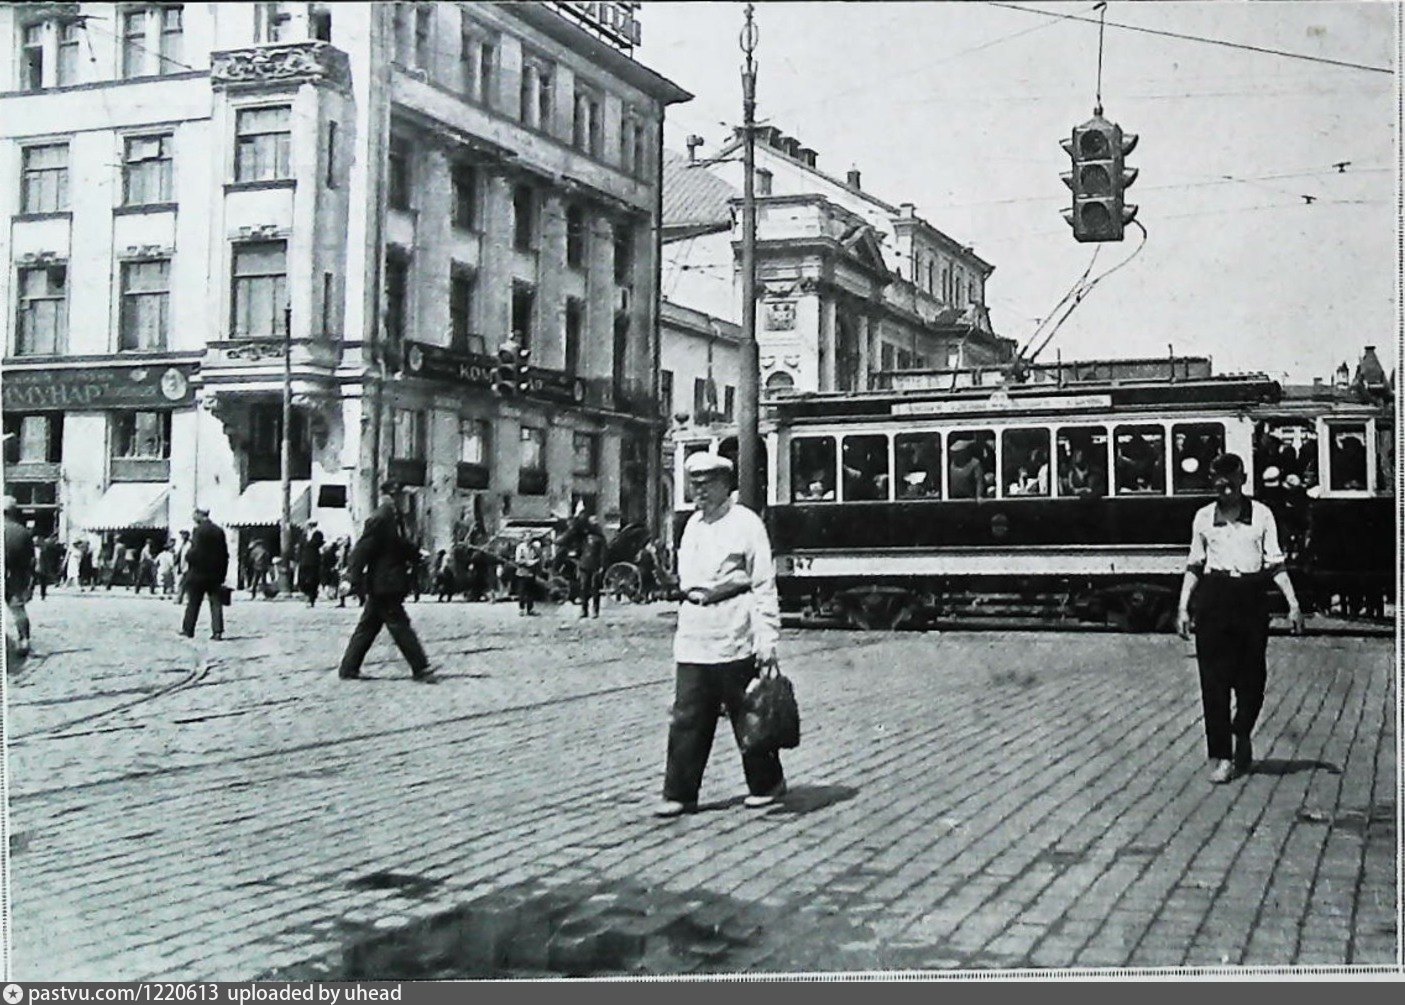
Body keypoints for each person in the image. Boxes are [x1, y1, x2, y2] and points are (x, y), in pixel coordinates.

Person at [654, 452, 785, 818]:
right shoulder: (692, 525)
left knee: (748, 712)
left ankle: (767, 783)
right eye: (695, 484)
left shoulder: (747, 524)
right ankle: (680, 793)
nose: (700, 492)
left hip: (735, 632)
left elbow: (762, 584)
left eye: (708, 484)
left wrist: (767, 641)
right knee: (687, 717)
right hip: (695, 635)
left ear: (726, 485)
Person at [1177, 453, 1304, 785]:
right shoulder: (1203, 517)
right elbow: (1194, 564)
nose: (1226, 489)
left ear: (1243, 479)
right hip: (1214, 599)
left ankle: (1241, 732)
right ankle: (1220, 757)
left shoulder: (1262, 515)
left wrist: (1293, 604)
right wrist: (1182, 607)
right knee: (1213, 684)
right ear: (1212, 483)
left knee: (1253, 682)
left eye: (1231, 482)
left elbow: (1275, 563)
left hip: (1250, 599)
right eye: (1219, 483)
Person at [337, 481, 436, 682]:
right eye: (400, 495)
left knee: (368, 627)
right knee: (399, 625)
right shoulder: (381, 517)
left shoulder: (393, 517)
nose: (404, 499)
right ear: (390, 496)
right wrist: (350, 578)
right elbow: (362, 549)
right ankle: (420, 667)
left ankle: (348, 668)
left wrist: (417, 553)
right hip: (385, 583)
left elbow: (398, 545)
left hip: (384, 583)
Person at [181, 508, 228, 641]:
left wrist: (188, 556)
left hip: (198, 573)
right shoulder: (219, 531)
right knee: (216, 603)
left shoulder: (198, 531)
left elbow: (195, 552)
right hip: (215, 574)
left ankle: (188, 629)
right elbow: (224, 555)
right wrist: (222, 574)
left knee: (193, 602)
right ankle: (217, 631)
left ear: (200, 515)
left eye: (194, 514)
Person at [4, 497, 36, 656]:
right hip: (15, 577)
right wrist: (30, 582)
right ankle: (24, 640)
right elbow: (31, 560)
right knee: (18, 610)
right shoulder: (24, 532)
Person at [577, 519, 606, 619]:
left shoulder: (600, 539)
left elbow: (603, 554)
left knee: (595, 588)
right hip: (584, 565)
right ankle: (584, 610)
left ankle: (595, 610)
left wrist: (602, 566)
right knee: (583, 588)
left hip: (595, 566)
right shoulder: (584, 538)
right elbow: (580, 551)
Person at [514, 536, 543, 616]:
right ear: (524, 539)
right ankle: (522, 609)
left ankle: (530, 609)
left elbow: (538, 557)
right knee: (522, 592)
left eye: (530, 538)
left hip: (531, 572)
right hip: (522, 572)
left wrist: (536, 562)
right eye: (526, 538)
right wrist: (527, 562)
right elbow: (518, 560)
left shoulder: (534, 548)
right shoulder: (520, 547)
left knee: (531, 592)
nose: (528, 540)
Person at [297, 522, 324, 607]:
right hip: (304, 561)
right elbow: (300, 547)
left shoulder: (318, 534)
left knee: (313, 580)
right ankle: (306, 593)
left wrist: (309, 541)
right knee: (302, 579)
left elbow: (317, 543)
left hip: (313, 560)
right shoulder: (304, 535)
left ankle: (311, 598)